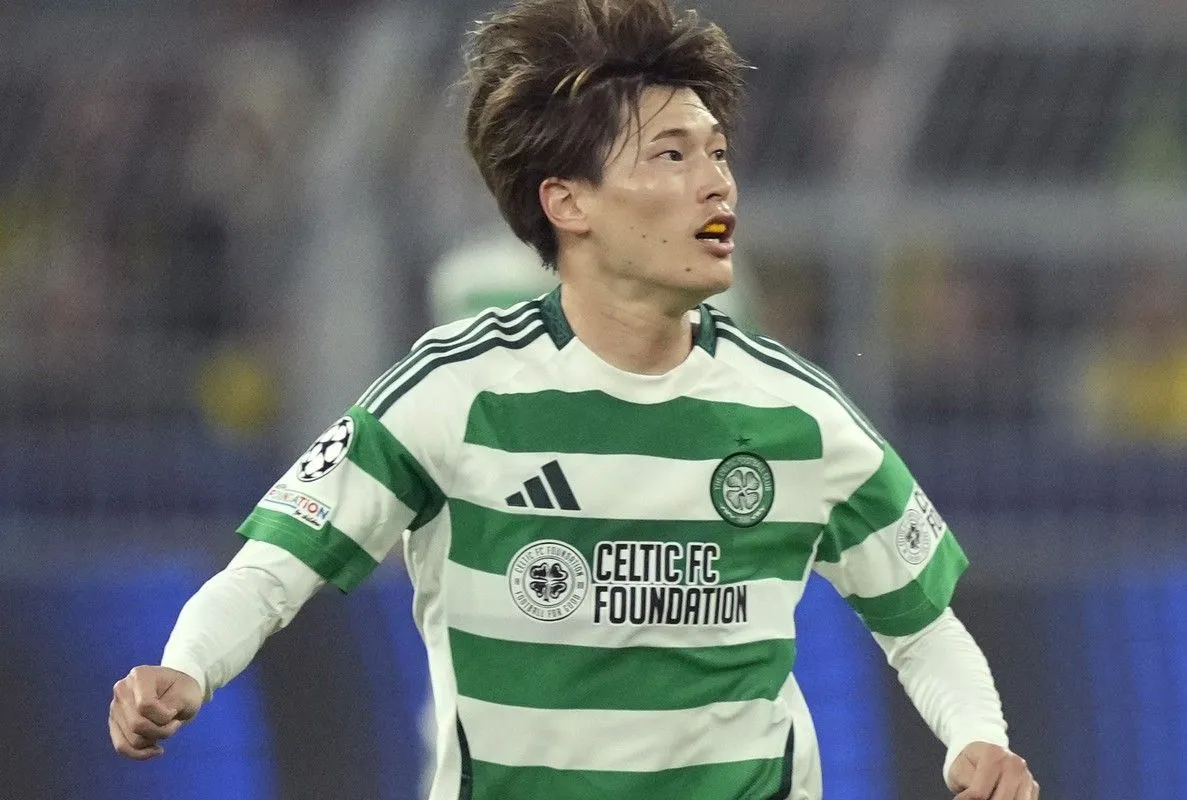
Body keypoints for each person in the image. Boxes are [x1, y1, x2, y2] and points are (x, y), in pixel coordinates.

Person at [109, 1, 1040, 798]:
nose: (715, 181)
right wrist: (186, 668)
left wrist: (978, 740)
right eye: (670, 154)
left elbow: (922, 628)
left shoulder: (798, 411)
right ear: (568, 203)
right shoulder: (454, 391)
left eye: (717, 153)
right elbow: (273, 570)